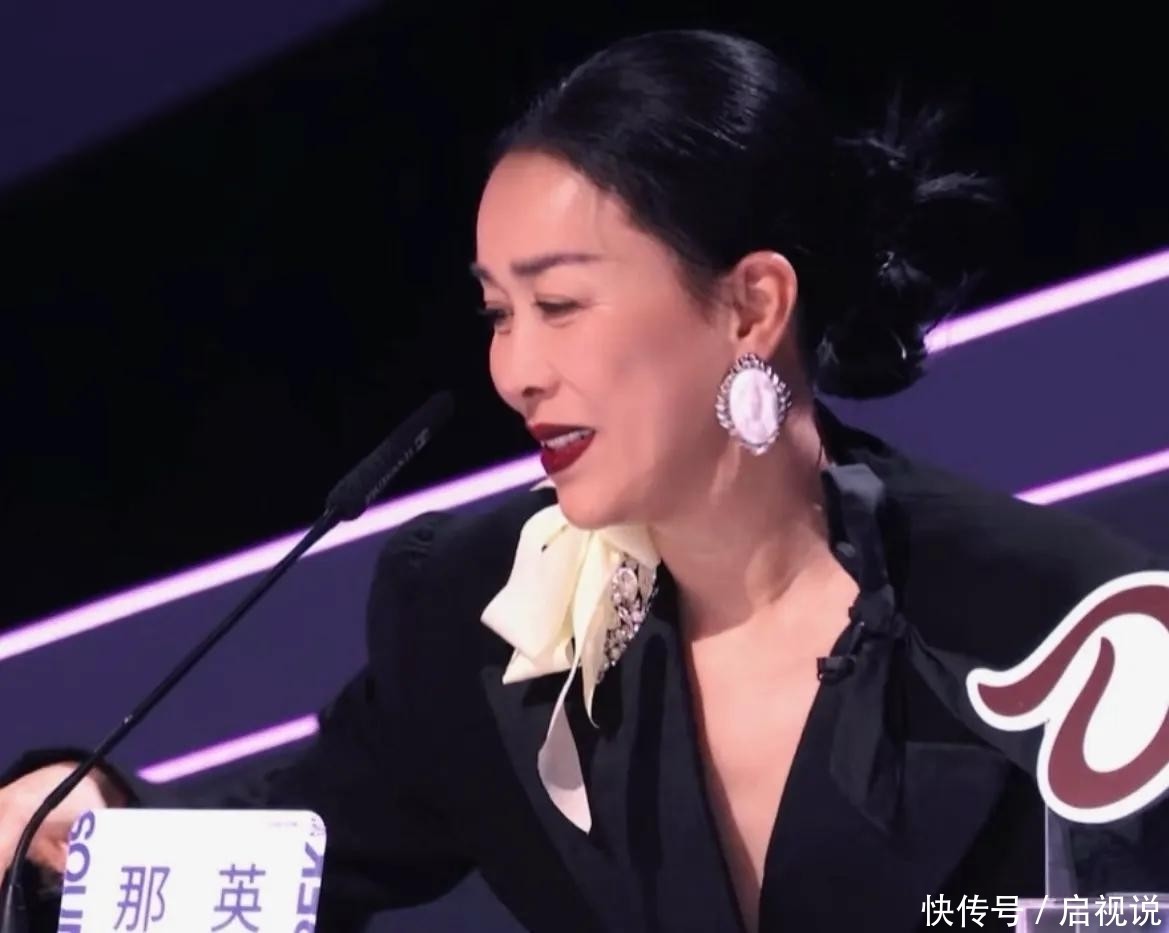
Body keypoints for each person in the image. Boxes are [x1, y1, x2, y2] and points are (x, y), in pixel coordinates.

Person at [2, 27, 1167, 933]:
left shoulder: (1059, 627)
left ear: (751, 305)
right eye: (496, 313)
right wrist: (81, 832)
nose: (514, 371)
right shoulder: (478, 612)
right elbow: (295, 856)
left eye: (559, 304)